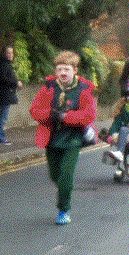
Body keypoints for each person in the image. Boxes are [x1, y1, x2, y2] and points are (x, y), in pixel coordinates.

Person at [31, 50, 97, 224]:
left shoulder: (83, 90)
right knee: (55, 176)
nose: (62, 73)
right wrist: (50, 114)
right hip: (52, 139)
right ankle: (63, 193)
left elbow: (89, 115)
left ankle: (63, 210)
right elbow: (34, 110)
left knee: (66, 177)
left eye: (66, 69)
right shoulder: (48, 88)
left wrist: (65, 117)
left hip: (72, 139)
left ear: (75, 70)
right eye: (59, 69)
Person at [0, 45, 23, 145]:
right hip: (4, 94)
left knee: (3, 117)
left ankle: (0, 138)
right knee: (3, 117)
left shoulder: (5, 64)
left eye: (12, 53)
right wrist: (16, 83)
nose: (11, 55)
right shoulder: (3, 64)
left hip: (6, 93)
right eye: (8, 53)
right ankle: (0, 138)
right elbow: (3, 79)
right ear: (4, 54)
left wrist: (16, 82)